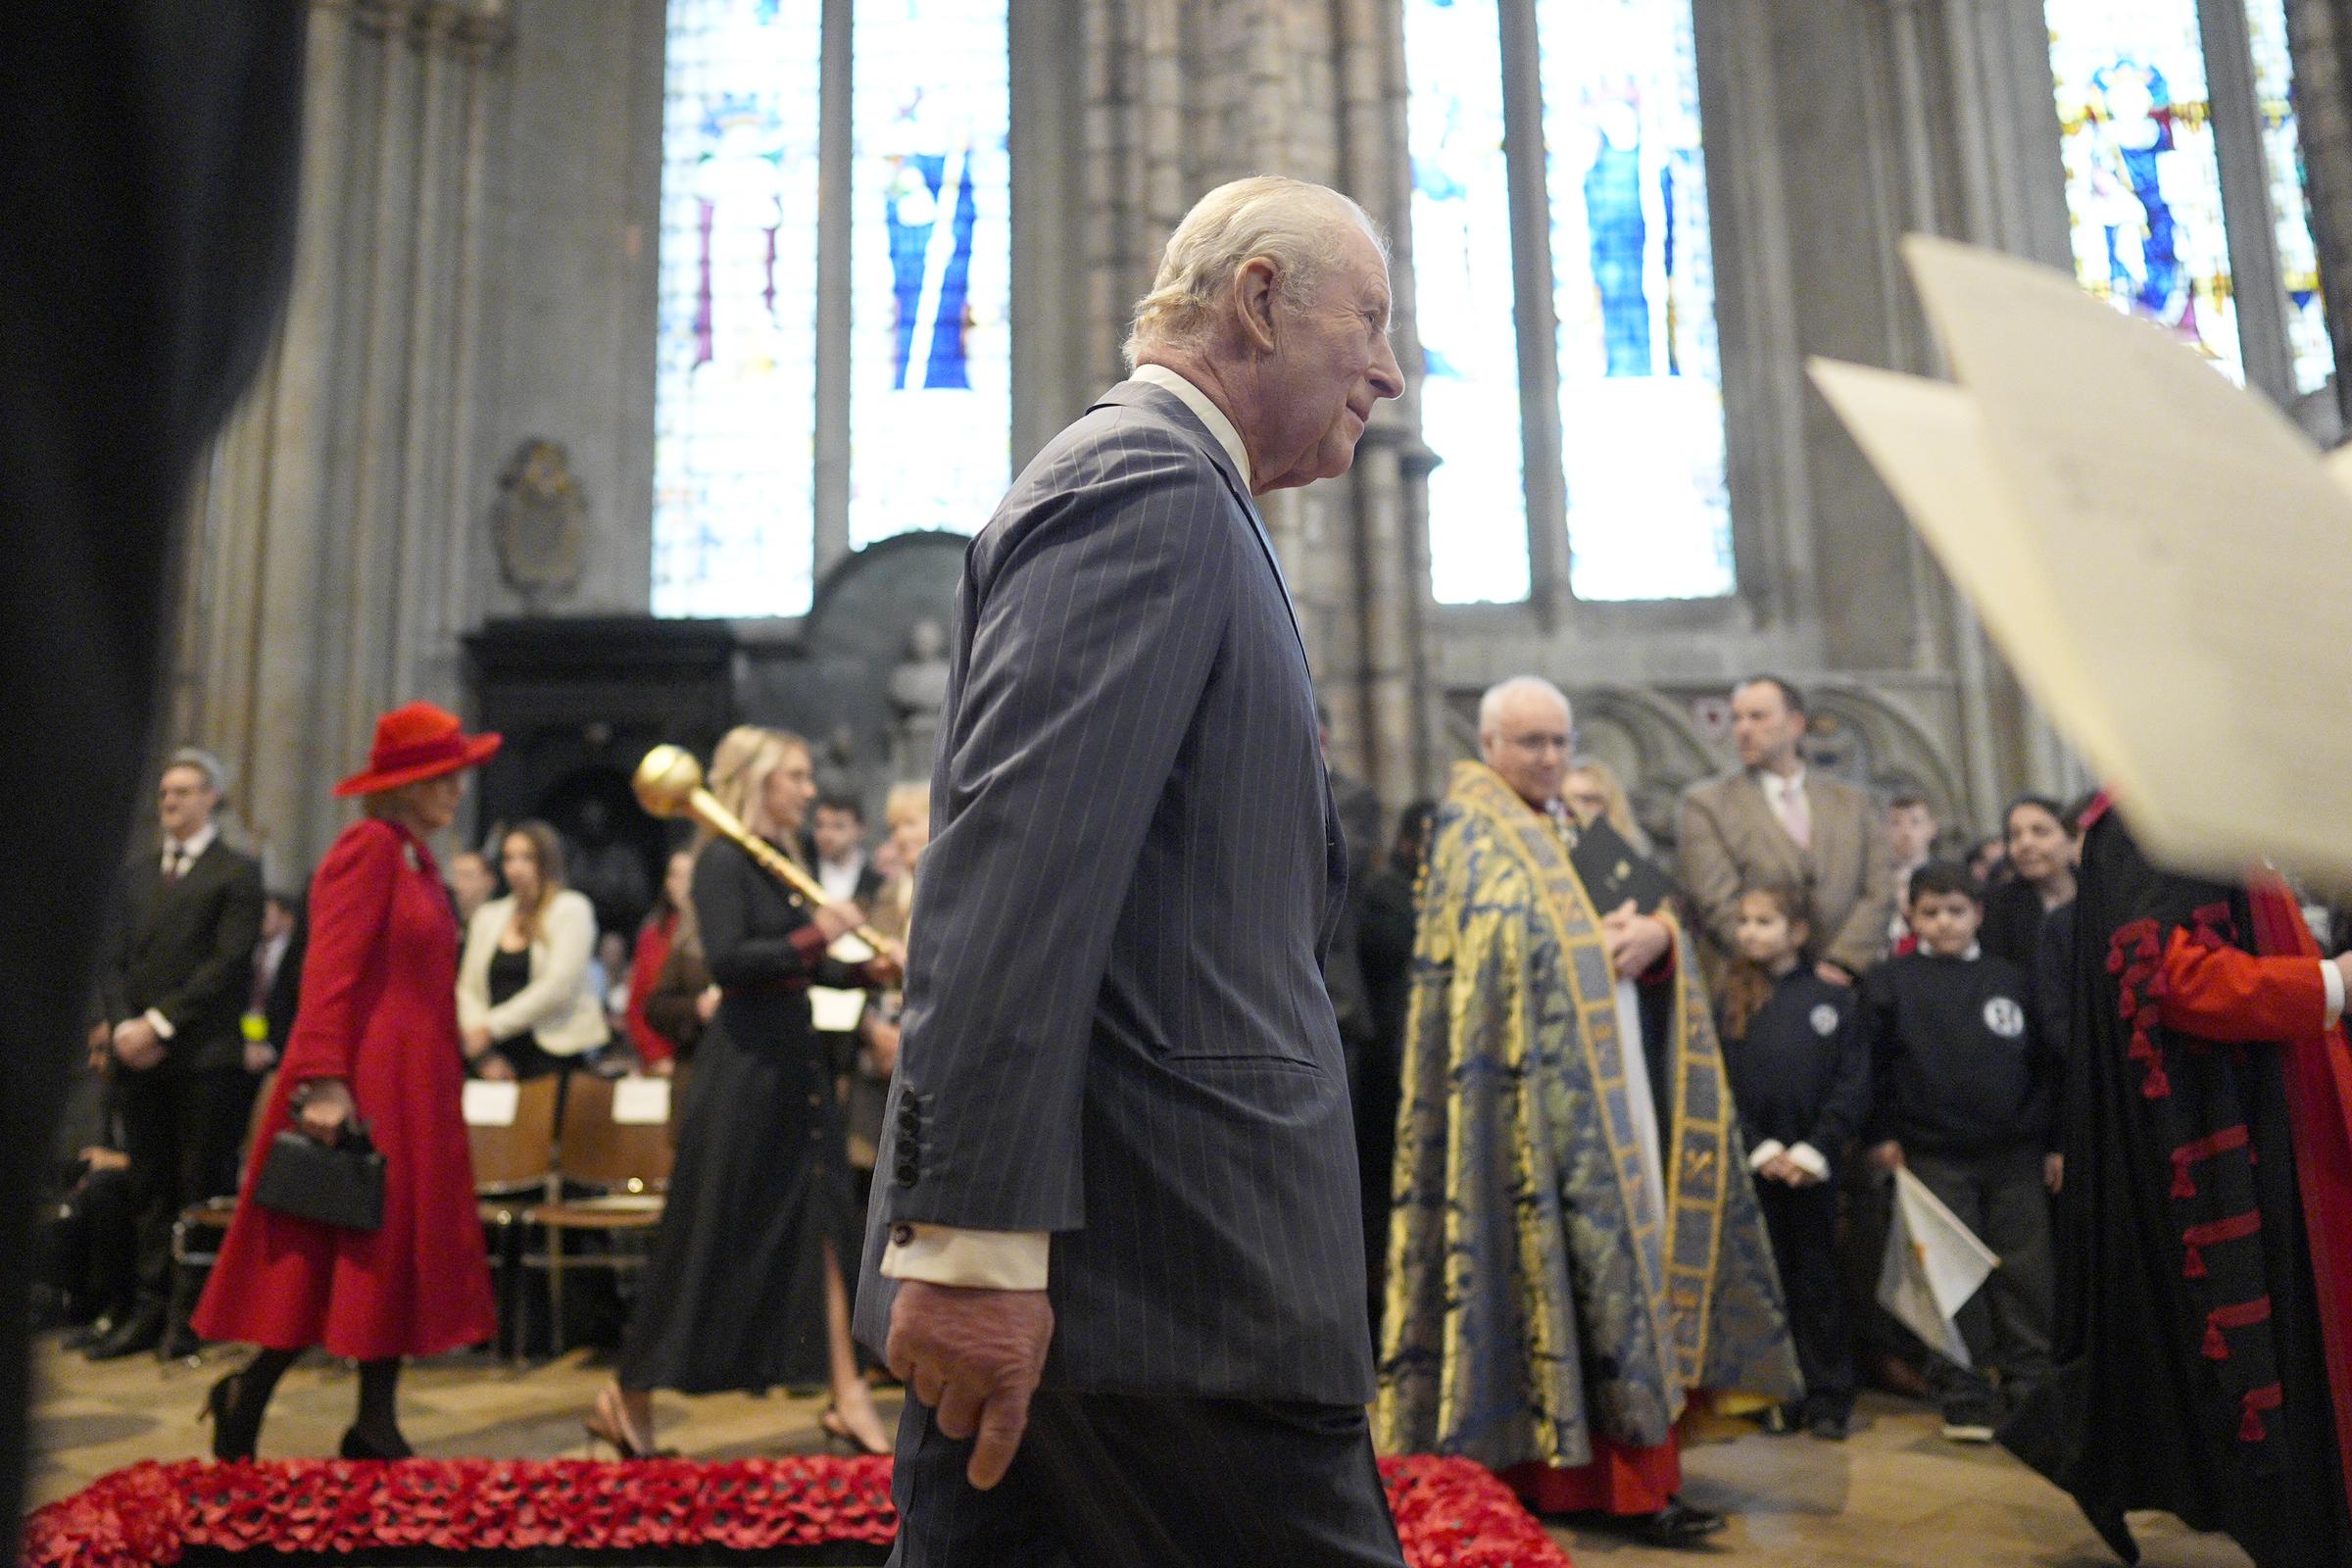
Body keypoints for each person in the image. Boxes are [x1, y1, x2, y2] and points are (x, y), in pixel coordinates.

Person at [854, 174, 1410, 1567]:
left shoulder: (1182, 490)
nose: (1391, 374)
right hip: (1152, 1299)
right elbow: (1010, 876)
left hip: (1178, 1299)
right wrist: (972, 1245)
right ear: (1261, 299)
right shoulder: (1141, 484)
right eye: (1375, 324)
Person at [1379, 676, 1797, 1550]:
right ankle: (1564, 1479)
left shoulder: (1564, 827)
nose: (1549, 758)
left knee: (1619, 1272)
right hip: (1528, 1121)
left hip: (1614, 1100)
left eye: (1560, 742)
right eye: (1531, 743)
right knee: (1549, 1284)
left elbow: (1647, 914)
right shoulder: (1472, 833)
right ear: (1489, 744)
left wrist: (1660, 941)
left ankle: (1633, 1475)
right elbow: (1495, 952)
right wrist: (1591, 944)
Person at [2002, 799, 2352, 1568]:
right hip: (2227, 1145)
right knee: (2270, 1384)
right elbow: (2177, 979)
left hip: (2254, 1110)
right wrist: (2332, 983)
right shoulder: (2153, 820)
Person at [190, 701, 503, 1459]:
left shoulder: (417, 859)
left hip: (415, 1076)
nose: (458, 788)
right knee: (321, 1255)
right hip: (362, 1074)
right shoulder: (368, 847)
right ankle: (247, 1391)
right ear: (404, 785)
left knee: (389, 1250)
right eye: (444, 775)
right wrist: (326, 1080)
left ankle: (373, 1421)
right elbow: (326, 973)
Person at [592, 726, 895, 1460]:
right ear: (759, 779)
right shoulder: (722, 859)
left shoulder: (779, 859)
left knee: (822, 1224)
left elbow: (798, 967)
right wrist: (817, 934)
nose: (808, 788)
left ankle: (847, 1392)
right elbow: (730, 962)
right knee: (706, 1230)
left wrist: (861, 970)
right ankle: (627, 1392)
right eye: (795, 775)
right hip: (745, 1068)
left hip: (794, 1062)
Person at [1861, 861, 2058, 1443]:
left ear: (1978, 914)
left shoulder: (2010, 979)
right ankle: (1963, 1387)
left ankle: (2032, 1383)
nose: (1944, 923)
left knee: (2026, 1268)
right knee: (1949, 1273)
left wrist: (2054, 1142)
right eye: (1930, 912)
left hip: (2014, 1152)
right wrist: (1879, 1135)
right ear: (1911, 916)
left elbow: (2044, 1065)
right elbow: (1871, 1067)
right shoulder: (1890, 983)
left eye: (1956, 911)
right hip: (1932, 1153)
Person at [88, 748, 265, 1361]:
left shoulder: (236, 872)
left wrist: (158, 1025)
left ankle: (195, 1315)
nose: (170, 802)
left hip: (200, 1055)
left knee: (199, 1183)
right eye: (165, 793)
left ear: (211, 797)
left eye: (184, 791)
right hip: (136, 1052)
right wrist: (121, 1024)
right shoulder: (136, 874)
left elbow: (228, 962)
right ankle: (146, 1308)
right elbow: (112, 960)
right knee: (147, 1186)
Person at [1719, 884, 1870, 1441]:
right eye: (1745, 921)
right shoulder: (1731, 998)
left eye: (1765, 920)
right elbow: (1721, 1083)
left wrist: (1813, 1150)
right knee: (1767, 1282)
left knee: (1818, 1280)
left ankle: (1829, 1395)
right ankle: (1779, 1394)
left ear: (1798, 931)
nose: (1751, 932)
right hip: (1755, 1165)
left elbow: (1852, 1083)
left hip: (1813, 1168)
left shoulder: (1833, 1000)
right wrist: (1758, 1147)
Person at [1679, 675, 1893, 986]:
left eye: (1758, 717)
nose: (1743, 729)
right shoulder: (1707, 805)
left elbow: (1879, 891)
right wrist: (1781, 962)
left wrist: (1843, 961)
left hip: (1849, 985)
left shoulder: (1853, 802)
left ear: (1794, 724)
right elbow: (1717, 902)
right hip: (1756, 988)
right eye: (1737, 718)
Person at [1353, 798, 1435, 1343]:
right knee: (1381, 1192)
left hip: (1423, 1057)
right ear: (1407, 842)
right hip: (1385, 1062)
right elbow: (1393, 948)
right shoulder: (1384, 892)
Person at [456, 822, 609, 1083]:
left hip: (553, 1052)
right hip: (493, 1054)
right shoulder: (488, 916)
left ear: (547, 861)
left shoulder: (571, 909)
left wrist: (491, 1028)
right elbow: (468, 988)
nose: (515, 867)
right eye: (509, 858)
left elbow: (558, 987)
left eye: (527, 858)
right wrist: (482, 1049)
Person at [1980, 795, 2078, 972]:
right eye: (2015, 835)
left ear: (2071, 838)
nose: (2025, 843)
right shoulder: (1997, 906)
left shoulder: (2098, 894)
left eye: (2040, 831)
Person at [623, 849, 695, 1077]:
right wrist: (657, 1055)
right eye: (674, 875)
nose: (680, 884)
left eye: (688, 876)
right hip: (660, 1061)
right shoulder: (653, 935)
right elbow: (637, 1005)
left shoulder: (716, 934)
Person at [1566, 757, 1651, 855]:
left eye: (1588, 799)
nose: (1576, 808)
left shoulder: (1632, 851)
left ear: (1610, 803)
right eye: (1568, 800)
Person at [809, 793, 881, 906]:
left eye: (838, 826)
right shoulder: (804, 868)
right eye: (820, 825)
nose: (826, 834)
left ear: (861, 830)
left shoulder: (877, 878)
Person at [1886, 792, 1938, 945]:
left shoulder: (1948, 877)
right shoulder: (1875, 881)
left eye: (1915, 822)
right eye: (1896, 823)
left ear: (1932, 828)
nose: (1906, 832)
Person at [447, 849, 497, 928]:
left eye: (467, 876)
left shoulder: (501, 923)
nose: (457, 884)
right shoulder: (445, 922)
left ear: (489, 881)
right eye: (455, 876)